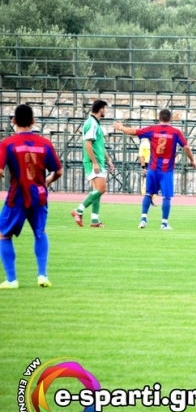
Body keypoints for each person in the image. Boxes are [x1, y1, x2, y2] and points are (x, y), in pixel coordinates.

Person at [0, 104, 63, 288]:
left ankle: (12, 280)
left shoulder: (7, 143)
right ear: (33, 121)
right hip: (39, 195)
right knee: (40, 233)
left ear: (14, 121)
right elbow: (58, 171)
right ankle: (42, 275)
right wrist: (48, 181)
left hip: (17, 195)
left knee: (4, 235)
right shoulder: (45, 143)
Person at [113, 109, 196, 230]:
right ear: (171, 119)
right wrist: (192, 160)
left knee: (148, 194)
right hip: (166, 170)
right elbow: (186, 147)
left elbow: (134, 132)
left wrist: (121, 127)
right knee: (166, 197)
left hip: (152, 168)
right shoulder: (176, 132)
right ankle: (164, 223)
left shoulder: (152, 129)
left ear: (159, 118)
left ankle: (143, 220)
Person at [71, 99, 115, 228]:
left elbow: (100, 145)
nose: (105, 111)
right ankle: (78, 210)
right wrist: (95, 163)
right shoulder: (91, 123)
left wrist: (108, 160)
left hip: (98, 161)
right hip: (93, 162)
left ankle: (94, 220)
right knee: (102, 189)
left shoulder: (95, 123)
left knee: (97, 190)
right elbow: (88, 144)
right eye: (105, 108)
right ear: (101, 109)